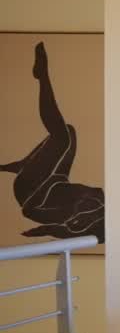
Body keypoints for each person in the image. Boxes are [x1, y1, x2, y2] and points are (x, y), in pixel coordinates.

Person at [1, 42, 104, 243]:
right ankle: (23, 164)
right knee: (69, 132)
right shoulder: (109, 204)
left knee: (62, 137)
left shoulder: (95, 224)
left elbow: (39, 217)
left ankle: (43, 77)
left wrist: (44, 230)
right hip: (55, 178)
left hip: (33, 192)